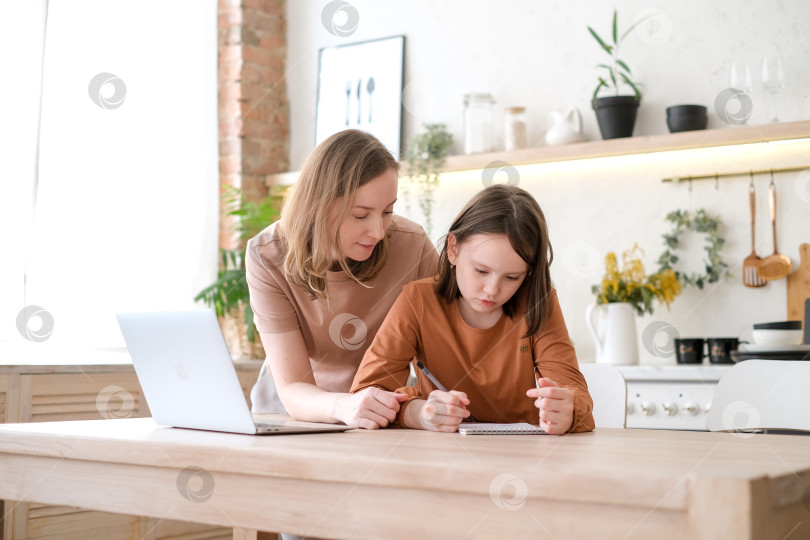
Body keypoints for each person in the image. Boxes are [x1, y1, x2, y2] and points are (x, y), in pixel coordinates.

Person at [350, 184, 595, 435]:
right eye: (481, 270)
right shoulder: (417, 300)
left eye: (512, 277)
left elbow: (579, 400)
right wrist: (421, 413)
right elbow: (365, 396)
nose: (492, 290)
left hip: (524, 455)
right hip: (440, 457)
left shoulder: (539, 302)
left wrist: (568, 409)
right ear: (453, 249)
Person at [246, 129, 439, 429]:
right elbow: (293, 386)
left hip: (378, 413)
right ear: (318, 206)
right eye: (361, 215)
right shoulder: (268, 255)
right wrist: (344, 405)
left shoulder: (412, 246)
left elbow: (441, 354)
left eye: (388, 211)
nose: (378, 231)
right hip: (287, 416)